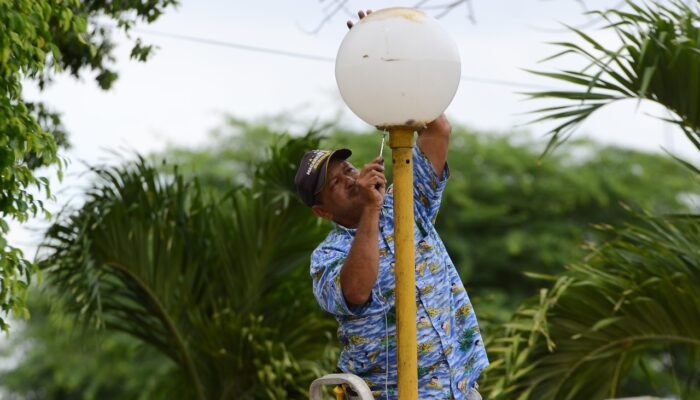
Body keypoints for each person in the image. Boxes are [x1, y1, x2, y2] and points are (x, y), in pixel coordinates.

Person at [294, 108, 489, 399]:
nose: (349, 179)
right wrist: (371, 207)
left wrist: (400, 87)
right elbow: (356, 291)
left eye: (348, 170)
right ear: (322, 211)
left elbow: (438, 131)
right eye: (335, 183)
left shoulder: (405, 204)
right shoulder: (327, 256)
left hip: (457, 387)